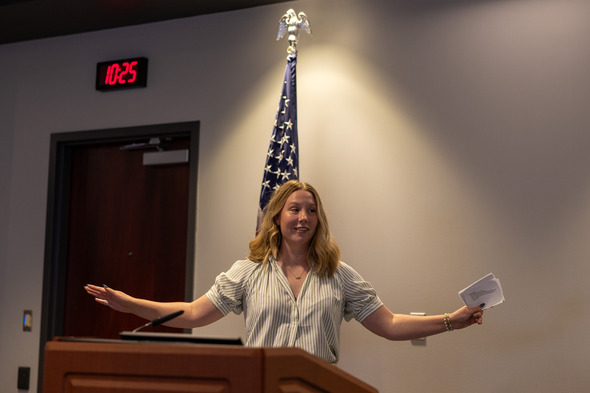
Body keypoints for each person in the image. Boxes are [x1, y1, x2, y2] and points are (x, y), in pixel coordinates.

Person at [85, 180, 484, 364]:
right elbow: (192, 313)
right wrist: (129, 303)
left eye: (311, 210)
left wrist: (453, 320)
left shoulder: (339, 275)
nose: (304, 217)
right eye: (295, 209)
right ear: (277, 217)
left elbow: (391, 324)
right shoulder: (248, 273)